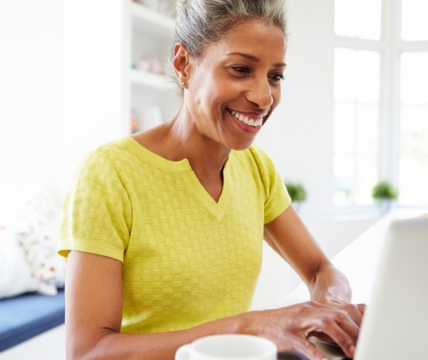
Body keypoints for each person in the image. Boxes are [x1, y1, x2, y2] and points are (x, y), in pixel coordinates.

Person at [58, 0, 365, 359]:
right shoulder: (109, 175)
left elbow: (320, 269)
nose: (264, 96)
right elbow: (87, 352)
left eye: (275, 76)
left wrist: (331, 309)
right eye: (240, 69)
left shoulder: (255, 168)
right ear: (183, 65)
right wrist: (244, 326)